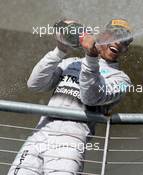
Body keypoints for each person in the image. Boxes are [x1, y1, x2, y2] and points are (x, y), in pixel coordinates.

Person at [8, 18, 133, 175]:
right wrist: (60, 50)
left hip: (70, 141)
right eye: (113, 35)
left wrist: (91, 58)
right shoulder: (72, 62)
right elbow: (35, 84)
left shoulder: (122, 80)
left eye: (124, 41)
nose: (118, 42)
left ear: (125, 49)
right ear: (101, 36)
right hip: (39, 134)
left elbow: (90, 97)